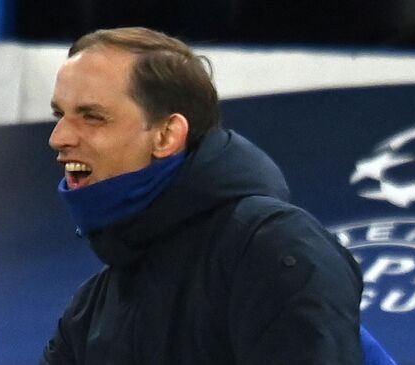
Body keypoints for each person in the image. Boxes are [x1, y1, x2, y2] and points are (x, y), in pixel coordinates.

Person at [41, 26, 367, 364]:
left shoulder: (274, 247)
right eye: (60, 115)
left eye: (92, 117)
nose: (58, 137)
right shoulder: (91, 310)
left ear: (167, 135)